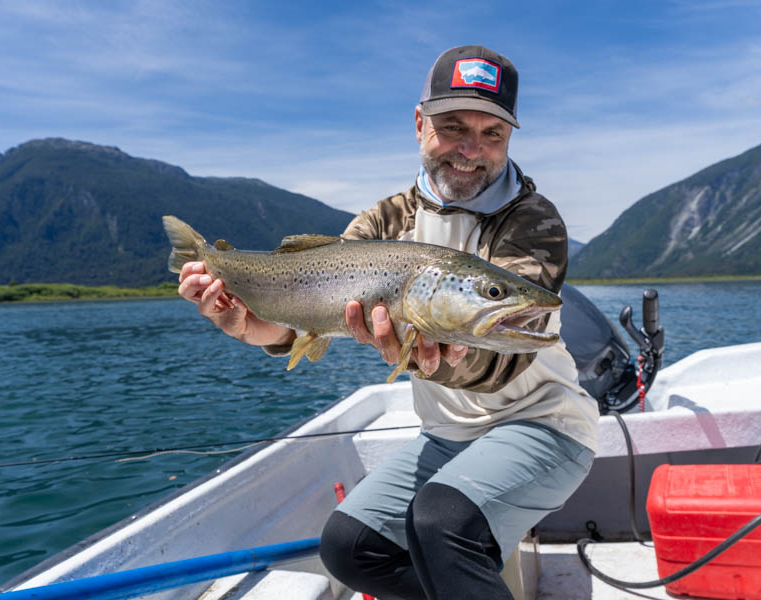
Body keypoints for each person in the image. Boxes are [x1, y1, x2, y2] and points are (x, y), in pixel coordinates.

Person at [177, 45, 598, 600]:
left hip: (543, 426)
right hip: (447, 438)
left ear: (510, 140)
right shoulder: (384, 221)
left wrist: (445, 359)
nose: (471, 151)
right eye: (452, 127)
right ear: (419, 124)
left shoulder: (532, 220)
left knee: (439, 522)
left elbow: (502, 358)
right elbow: (316, 317)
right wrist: (246, 324)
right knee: (349, 547)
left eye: (492, 134)